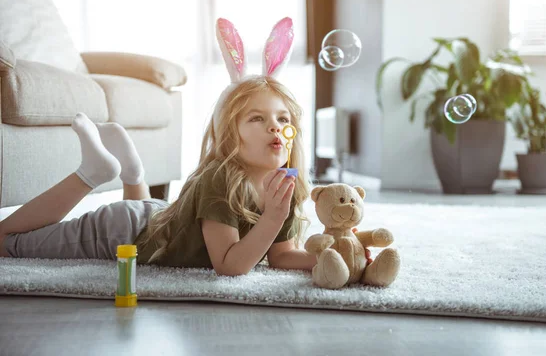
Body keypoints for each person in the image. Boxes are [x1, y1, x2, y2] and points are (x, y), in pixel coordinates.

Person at [0, 17, 320, 275]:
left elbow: (283, 256)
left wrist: (335, 262)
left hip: (157, 218)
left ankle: (133, 173)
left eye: (282, 118)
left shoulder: (284, 184)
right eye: (257, 119)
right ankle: (93, 172)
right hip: (121, 232)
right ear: (230, 134)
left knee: (152, 227)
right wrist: (272, 219)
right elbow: (229, 265)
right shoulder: (221, 178)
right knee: (5, 243)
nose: (275, 127)